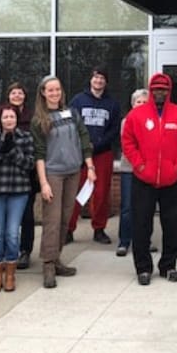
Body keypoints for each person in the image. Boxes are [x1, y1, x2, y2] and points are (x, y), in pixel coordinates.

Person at [121, 73, 177, 285]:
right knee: (141, 225)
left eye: (163, 89)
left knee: (172, 225)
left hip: (171, 180)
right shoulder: (137, 115)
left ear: (169, 91)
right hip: (143, 179)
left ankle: (168, 266)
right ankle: (143, 268)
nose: (159, 93)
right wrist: (139, 165)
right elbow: (128, 142)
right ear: (151, 91)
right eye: (156, 89)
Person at [32, 75, 95, 288]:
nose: (54, 93)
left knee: (65, 219)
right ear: (43, 93)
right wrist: (44, 183)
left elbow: (84, 139)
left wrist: (90, 167)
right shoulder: (39, 120)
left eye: (57, 89)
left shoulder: (72, 113)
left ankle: (56, 258)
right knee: (52, 219)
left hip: (73, 172)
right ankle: (48, 264)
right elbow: (39, 154)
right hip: (53, 174)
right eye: (50, 90)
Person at [0, 104, 35, 292]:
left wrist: (12, 151)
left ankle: (10, 274)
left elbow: (29, 164)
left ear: (17, 119)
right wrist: (0, 151)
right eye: (5, 117)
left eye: (12, 117)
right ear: (0, 119)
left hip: (18, 191)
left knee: (12, 233)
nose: (9, 120)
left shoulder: (25, 137)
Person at [68, 66, 121, 245]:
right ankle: (68, 230)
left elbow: (114, 130)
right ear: (91, 80)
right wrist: (83, 146)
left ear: (106, 82)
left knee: (101, 193)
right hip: (79, 154)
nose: (98, 81)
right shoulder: (78, 100)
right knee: (75, 191)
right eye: (96, 77)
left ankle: (99, 229)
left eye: (102, 78)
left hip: (102, 153)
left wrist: (97, 145)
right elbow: (70, 125)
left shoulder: (112, 104)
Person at [7, 82, 38, 270]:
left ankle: (25, 250)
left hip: (27, 173)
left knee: (26, 215)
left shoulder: (32, 117)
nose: (17, 96)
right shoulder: (2, 114)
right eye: (13, 93)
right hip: (4, 174)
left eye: (20, 93)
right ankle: (8, 251)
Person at [116, 88, 149, 257]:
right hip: (130, 168)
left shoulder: (153, 121)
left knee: (145, 207)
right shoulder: (126, 121)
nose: (141, 104)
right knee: (127, 207)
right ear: (132, 104)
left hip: (147, 170)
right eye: (138, 102)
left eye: (145, 102)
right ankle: (124, 241)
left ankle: (144, 241)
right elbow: (128, 146)